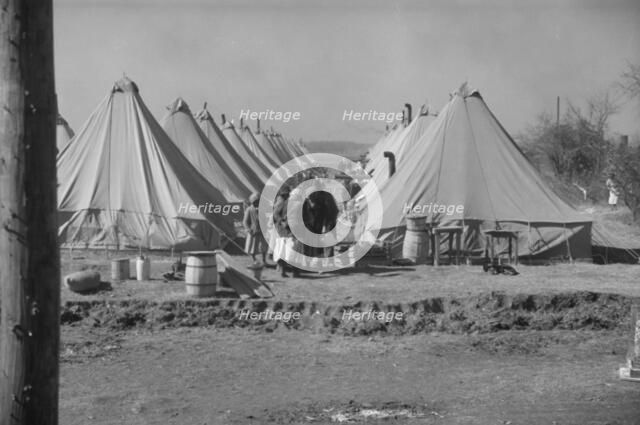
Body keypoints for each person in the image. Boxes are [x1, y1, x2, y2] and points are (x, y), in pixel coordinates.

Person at [272, 187, 300, 277]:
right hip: (284, 232)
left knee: (290, 251)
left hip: (293, 231)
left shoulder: (299, 205)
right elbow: (275, 214)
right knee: (285, 251)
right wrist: (282, 222)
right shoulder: (282, 203)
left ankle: (293, 272)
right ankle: (285, 271)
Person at [243, 193, 267, 264]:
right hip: (253, 231)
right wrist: (248, 229)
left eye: (259, 201)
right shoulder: (249, 209)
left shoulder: (263, 209)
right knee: (252, 247)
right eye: (256, 201)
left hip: (262, 231)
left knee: (263, 247)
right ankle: (254, 259)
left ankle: (264, 259)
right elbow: (245, 221)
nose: (257, 202)